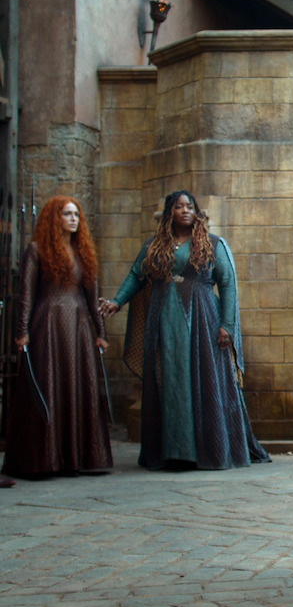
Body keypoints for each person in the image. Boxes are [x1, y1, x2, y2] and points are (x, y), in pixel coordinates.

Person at [100, 191, 268, 471]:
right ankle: (173, 453)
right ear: (170, 213)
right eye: (179, 207)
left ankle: (211, 449)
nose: (185, 210)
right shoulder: (154, 245)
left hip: (203, 319)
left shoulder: (213, 243)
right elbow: (136, 276)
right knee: (170, 381)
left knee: (206, 380)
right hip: (163, 322)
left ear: (197, 212)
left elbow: (227, 283)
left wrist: (226, 325)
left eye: (190, 206)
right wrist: (117, 301)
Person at [3, 196, 112, 478]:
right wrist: (22, 331)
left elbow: (91, 297)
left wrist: (101, 333)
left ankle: (78, 458)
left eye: (76, 214)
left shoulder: (83, 252)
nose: (74, 218)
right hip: (46, 325)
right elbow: (26, 294)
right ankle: (45, 460)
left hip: (78, 328)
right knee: (48, 385)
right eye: (67, 214)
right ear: (55, 218)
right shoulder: (36, 250)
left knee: (78, 386)